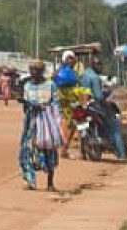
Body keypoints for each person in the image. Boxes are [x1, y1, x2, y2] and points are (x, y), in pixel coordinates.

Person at [18, 59, 64, 191]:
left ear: (42, 71)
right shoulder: (27, 86)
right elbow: (25, 108)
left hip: (46, 122)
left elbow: (56, 104)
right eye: (32, 70)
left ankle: (50, 183)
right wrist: (26, 104)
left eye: (37, 70)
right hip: (31, 123)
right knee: (27, 150)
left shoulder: (50, 85)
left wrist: (44, 108)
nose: (34, 73)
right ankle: (30, 181)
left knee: (49, 150)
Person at [53, 49, 83, 155]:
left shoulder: (74, 72)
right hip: (67, 101)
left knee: (74, 123)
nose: (71, 61)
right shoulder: (61, 71)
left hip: (73, 100)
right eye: (68, 59)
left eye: (72, 59)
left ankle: (67, 148)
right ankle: (64, 149)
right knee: (72, 123)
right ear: (64, 60)